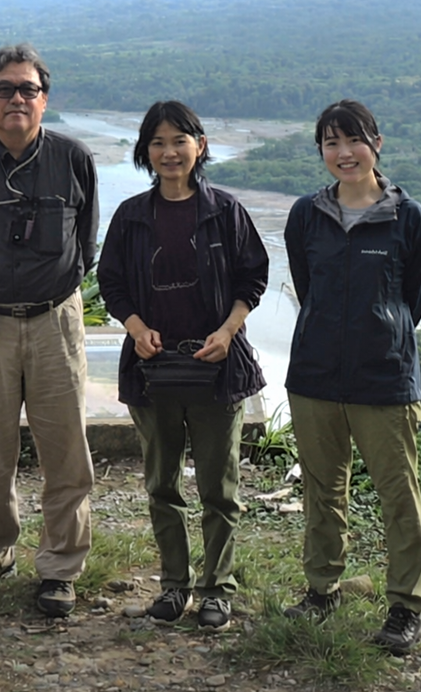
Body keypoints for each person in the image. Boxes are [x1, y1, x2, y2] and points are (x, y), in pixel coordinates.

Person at [0, 43, 98, 618]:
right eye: (4, 89)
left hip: (57, 320)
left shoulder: (73, 159)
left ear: (44, 100)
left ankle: (59, 567)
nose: (16, 99)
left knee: (65, 450)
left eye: (28, 89)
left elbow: (87, 244)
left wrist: (55, 292)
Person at [97, 101, 268, 632]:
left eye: (179, 140)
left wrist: (227, 331)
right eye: (158, 143)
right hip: (153, 370)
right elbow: (113, 284)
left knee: (220, 488)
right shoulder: (131, 216)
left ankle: (216, 588)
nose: (169, 152)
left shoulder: (225, 211)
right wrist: (135, 327)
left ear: (200, 146)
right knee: (161, 483)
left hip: (216, 368)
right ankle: (174, 586)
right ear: (145, 153)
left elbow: (252, 279)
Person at [281, 100, 421, 655]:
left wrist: (380, 336)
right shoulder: (306, 214)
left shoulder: (407, 217)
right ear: (321, 150)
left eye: (354, 141)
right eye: (330, 143)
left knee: (400, 496)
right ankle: (322, 590)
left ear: (377, 143)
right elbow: (308, 288)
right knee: (323, 491)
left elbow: (413, 297)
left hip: (384, 380)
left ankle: (405, 605)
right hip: (315, 375)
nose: (343, 153)